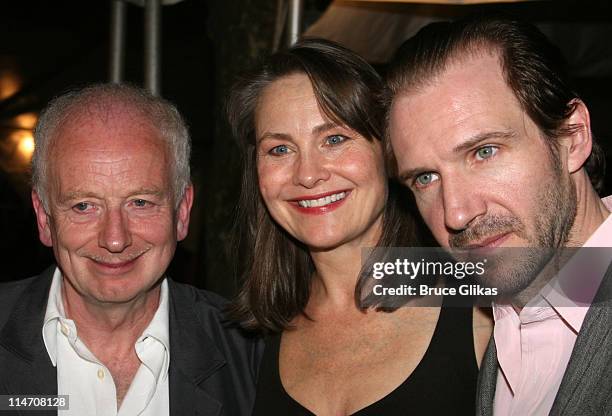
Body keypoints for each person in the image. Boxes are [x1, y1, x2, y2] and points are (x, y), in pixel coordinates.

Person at [227, 38, 492, 416]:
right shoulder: (248, 340)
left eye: (334, 139)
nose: (308, 175)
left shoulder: (485, 294)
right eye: (280, 149)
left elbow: (598, 275)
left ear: (388, 151)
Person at [384, 15, 612, 416]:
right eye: (425, 177)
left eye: (484, 152)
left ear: (572, 139)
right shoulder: (498, 322)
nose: (456, 213)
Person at [0, 84, 263, 416]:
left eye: (140, 203)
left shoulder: (254, 356)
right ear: (43, 218)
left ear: (182, 213)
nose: (115, 239)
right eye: (84, 206)